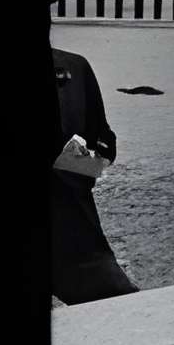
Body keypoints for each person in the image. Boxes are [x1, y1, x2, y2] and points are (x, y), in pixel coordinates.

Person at [49, 42, 137, 302]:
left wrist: (82, 166)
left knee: (121, 311)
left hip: (74, 228)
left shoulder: (75, 68)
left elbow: (105, 143)